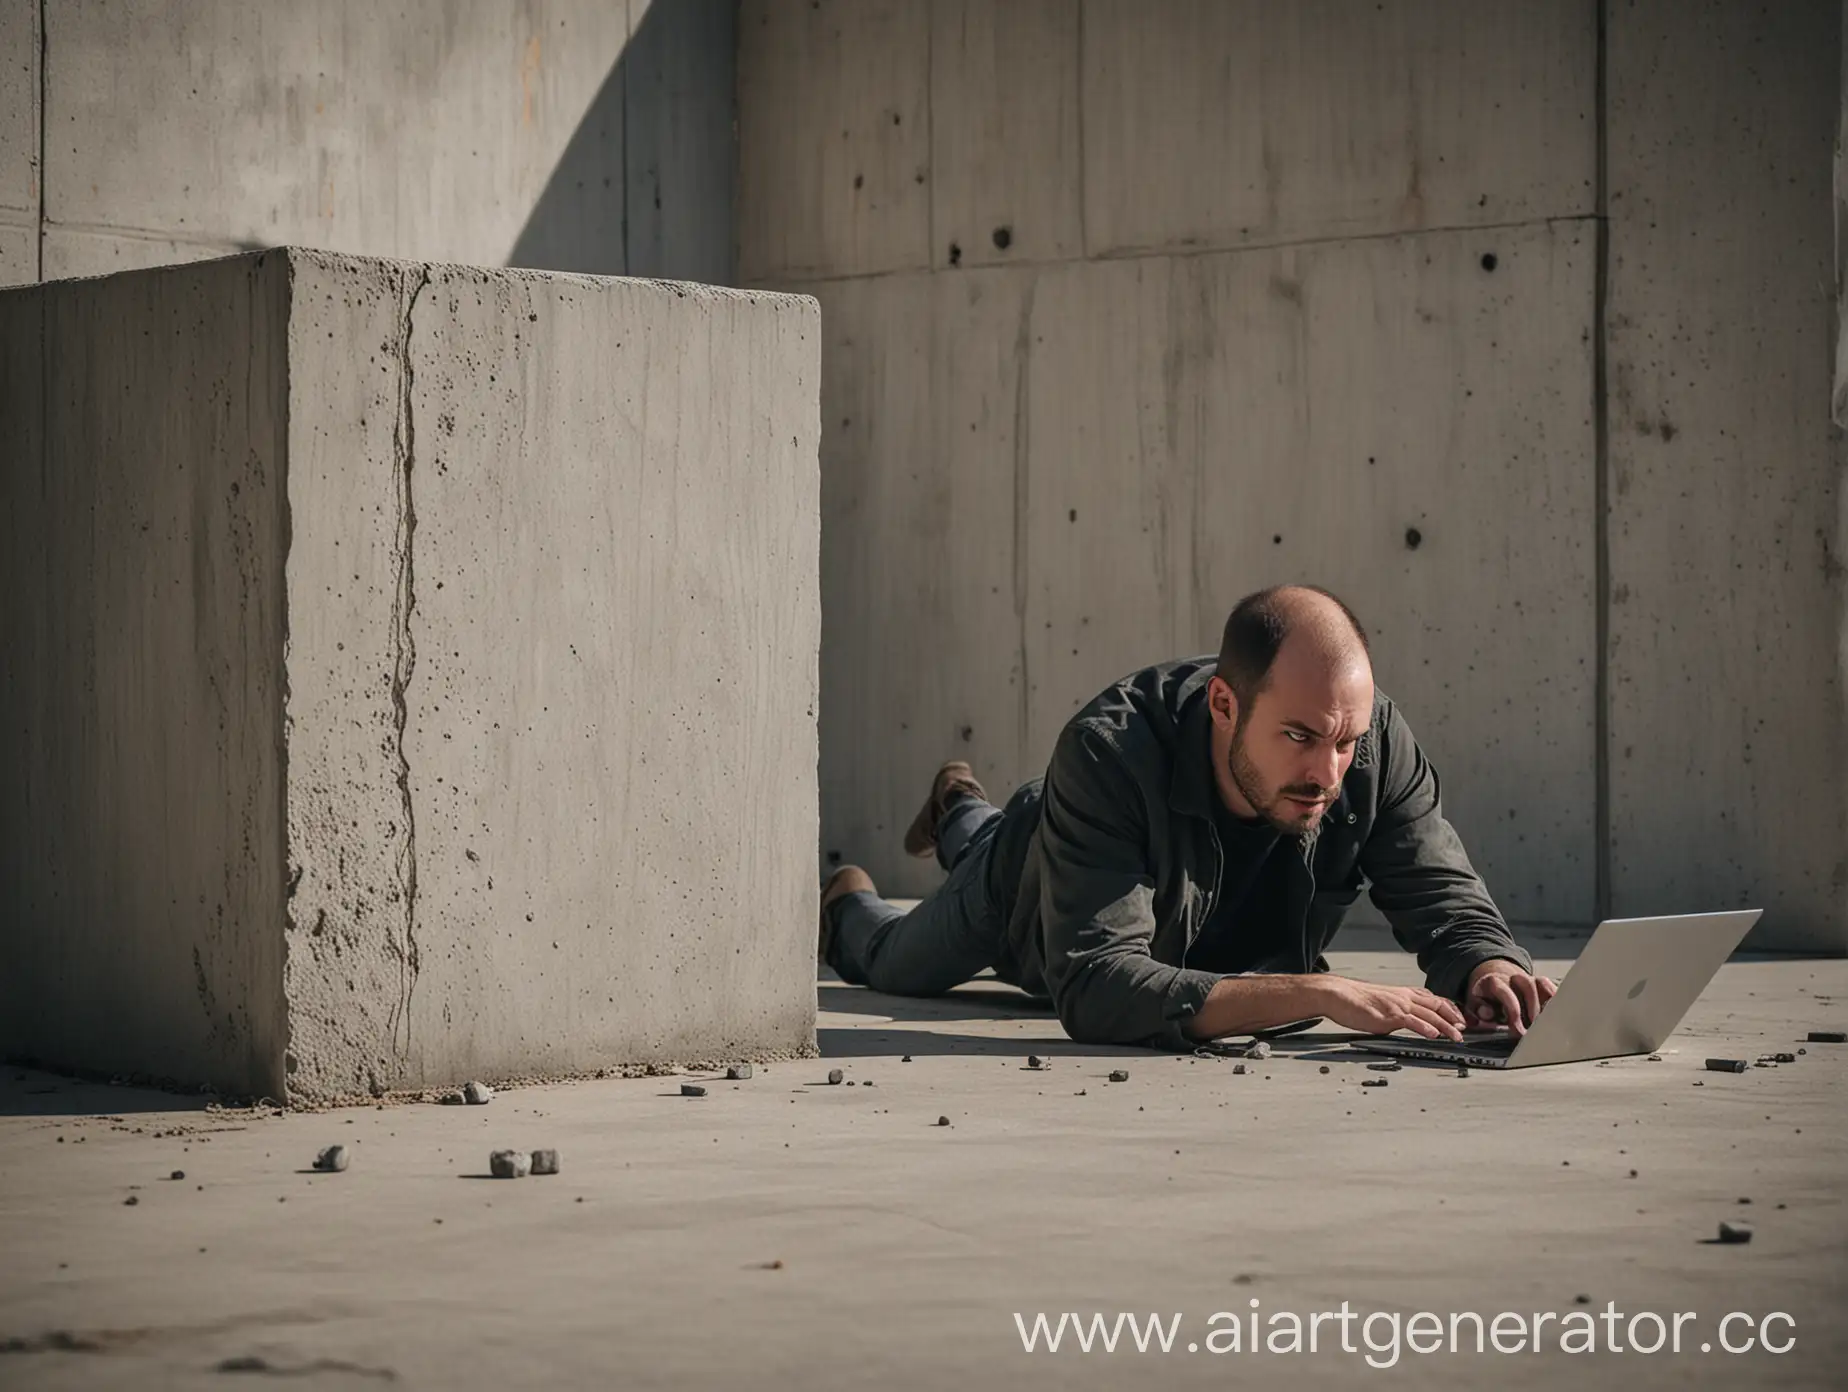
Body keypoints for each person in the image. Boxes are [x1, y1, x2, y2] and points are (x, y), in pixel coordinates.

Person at [818, 584, 1557, 1050]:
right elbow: (1097, 985)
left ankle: (958, 808)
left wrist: (1490, 965)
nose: (1328, 773)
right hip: (1022, 883)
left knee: (979, 835)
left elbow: (1443, 895)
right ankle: (854, 894)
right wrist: (1320, 993)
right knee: (888, 960)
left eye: (1345, 742)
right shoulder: (1107, 753)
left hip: (1105, 861)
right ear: (1225, 706)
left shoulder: (1368, 743)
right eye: (1299, 737)